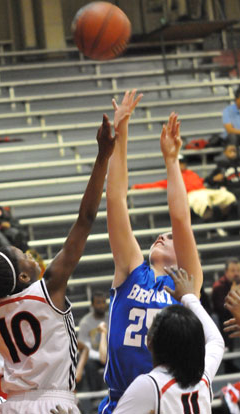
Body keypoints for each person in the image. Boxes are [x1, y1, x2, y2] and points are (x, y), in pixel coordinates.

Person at [0, 114, 116, 414]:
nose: (32, 256)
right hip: (53, 403)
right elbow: (85, 219)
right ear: (23, 275)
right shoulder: (49, 288)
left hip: (11, 405)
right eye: (27, 256)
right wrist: (103, 156)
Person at [99, 91, 203, 414]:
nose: (162, 235)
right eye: (161, 235)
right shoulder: (132, 269)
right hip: (119, 400)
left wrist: (172, 161)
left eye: (169, 238)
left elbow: (180, 219)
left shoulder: (185, 284)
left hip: (165, 401)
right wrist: (122, 133)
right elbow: (116, 200)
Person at [111, 267, 224, 414]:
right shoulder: (203, 377)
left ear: (150, 342)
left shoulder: (149, 385)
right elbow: (216, 340)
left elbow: (217, 341)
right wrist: (190, 297)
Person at [132, 154, 237, 223]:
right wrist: (137, 187)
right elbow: (154, 185)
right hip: (191, 194)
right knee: (202, 200)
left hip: (204, 190)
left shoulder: (191, 173)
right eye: (179, 162)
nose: (182, 165)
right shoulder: (172, 177)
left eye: (182, 162)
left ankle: (223, 219)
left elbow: (201, 181)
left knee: (228, 196)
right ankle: (210, 224)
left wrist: (213, 179)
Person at [77, 291, 109, 391]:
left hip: (110, 355)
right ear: (92, 305)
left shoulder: (111, 319)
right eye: (98, 302)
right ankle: (95, 399)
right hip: (94, 357)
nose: (101, 305)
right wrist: (101, 356)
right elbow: (85, 348)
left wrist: (108, 355)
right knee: (88, 364)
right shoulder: (85, 322)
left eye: (103, 302)